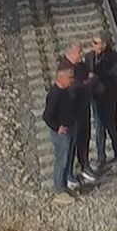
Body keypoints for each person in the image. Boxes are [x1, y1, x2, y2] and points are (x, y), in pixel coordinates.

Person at [42, 55, 90, 193]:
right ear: (61, 78)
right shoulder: (55, 94)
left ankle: (65, 185)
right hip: (62, 133)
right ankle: (59, 189)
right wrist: (57, 127)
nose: (73, 80)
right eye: (70, 78)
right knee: (62, 161)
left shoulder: (67, 90)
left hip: (71, 127)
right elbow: (47, 115)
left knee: (68, 159)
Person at [82, 33, 117, 176]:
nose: (93, 45)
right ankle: (101, 156)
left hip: (109, 98)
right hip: (96, 98)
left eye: (96, 42)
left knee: (111, 126)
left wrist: (106, 85)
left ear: (104, 44)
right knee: (98, 126)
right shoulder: (90, 57)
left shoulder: (113, 58)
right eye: (92, 42)